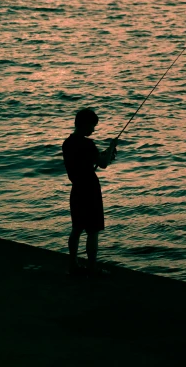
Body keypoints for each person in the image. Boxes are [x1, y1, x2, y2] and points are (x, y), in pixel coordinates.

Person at [62, 108, 118, 276]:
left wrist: (105, 155)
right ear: (85, 124)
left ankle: (73, 264)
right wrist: (111, 148)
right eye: (93, 125)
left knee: (77, 228)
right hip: (90, 189)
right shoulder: (87, 144)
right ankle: (92, 268)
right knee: (93, 231)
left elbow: (88, 159)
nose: (93, 129)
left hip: (77, 188)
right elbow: (103, 164)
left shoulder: (68, 143)